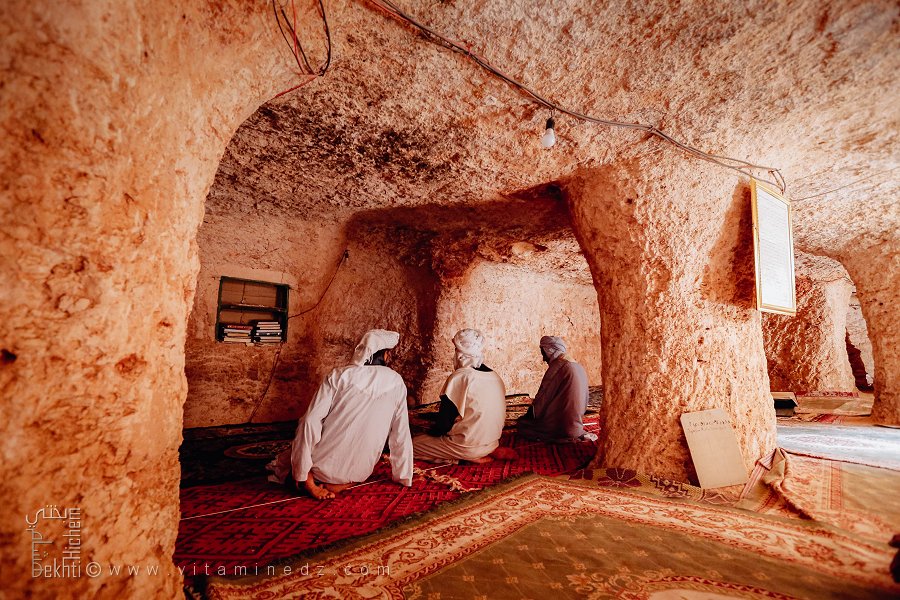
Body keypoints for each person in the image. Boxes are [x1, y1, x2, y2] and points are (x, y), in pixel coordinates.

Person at [267, 329, 413, 500]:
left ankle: (308, 480)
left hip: (321, 465)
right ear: (385, 355)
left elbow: (310, 421)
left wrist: (300, 469)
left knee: (283, 461)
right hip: (361, 469)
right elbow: (401, 432)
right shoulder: (396, 381)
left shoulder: (339, 376)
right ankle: (346, 483)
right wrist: (404, 476)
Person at [413, 329, 516, 464]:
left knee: (411, 445)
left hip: (467, 446)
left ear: (461, 354)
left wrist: (425, 430)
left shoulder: (460, 377)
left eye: (456, 350)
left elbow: (442, 426)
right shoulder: (495, 376)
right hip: (492, 442)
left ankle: (464, 458)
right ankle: (484, 451)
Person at [516, 335, 592, 442]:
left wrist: (528, 416)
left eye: (543, 353)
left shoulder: (559, 365)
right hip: (577, 427)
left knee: (522, 425)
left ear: (549, 350)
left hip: (562, 429)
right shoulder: (577, 365)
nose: (543, 359)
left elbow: (543, 398)